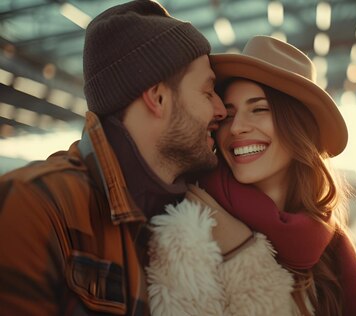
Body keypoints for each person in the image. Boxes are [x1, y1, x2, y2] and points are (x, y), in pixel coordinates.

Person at [0, 1, 249, 314]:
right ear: (157, 98)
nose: (221, 110)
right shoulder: (35, 205)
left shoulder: (189, 215)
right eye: (207, 92)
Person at [146, 36, 356, 315]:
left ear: (298, 128)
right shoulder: (190, 228)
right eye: (228, 115)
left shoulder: (332, 242)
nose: (237, 127)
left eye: (259, 109)